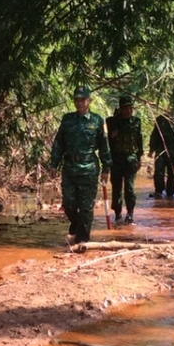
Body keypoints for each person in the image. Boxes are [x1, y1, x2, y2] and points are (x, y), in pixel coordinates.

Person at [49, 84, 109, 244]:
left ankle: (82, 240)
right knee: (69, 204)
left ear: (89, 101)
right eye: (77, 100)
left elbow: (104, 146)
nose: (80, 103)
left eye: (83, 100)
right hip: (69, 168)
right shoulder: (67, 120)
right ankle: (76, 224)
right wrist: (54, 163)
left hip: (89, 168)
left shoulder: (97, 121)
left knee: (86, 207)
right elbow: (59, 143)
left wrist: (106, 168)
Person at [106, 93, 143, 224]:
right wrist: (112, 134)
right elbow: (106, 141)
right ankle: (117, 213)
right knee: (116, 188)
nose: (128, 111)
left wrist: (140, 158)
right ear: (120, 109)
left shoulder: (136, 122)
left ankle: (130, 213)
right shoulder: (112, 122)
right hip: (116, 159)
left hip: (130, 159)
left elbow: (139, 140)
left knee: (130, 188)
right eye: (125, 108)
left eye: (130, 108)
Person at [149, 112, 174, 198]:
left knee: (172, 173)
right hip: (161, 150)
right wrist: (151, 149)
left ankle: (170, 193)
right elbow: (155, 135)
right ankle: (158, 191)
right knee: (158, 171)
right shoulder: (160, 119)